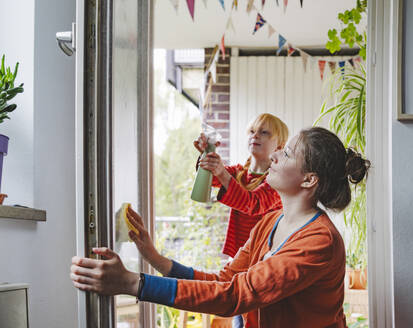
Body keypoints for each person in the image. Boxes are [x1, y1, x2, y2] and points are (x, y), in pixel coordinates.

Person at [70, 127, 370, 328]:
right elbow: (225, 279)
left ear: (309, 180)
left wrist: (132, 283)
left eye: (288, 153)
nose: (276, 154)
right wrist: (155, 258)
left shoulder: (319, 241)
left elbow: (232, 296)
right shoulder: (270, 220)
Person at [195, 113, 289, 259]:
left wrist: (222, 172)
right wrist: (207, 153)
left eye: (264, 132)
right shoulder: (239, 172)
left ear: (279, 146)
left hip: (264, 255)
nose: (255, 135)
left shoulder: (278, 181)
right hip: (239, 254)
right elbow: (212, 178)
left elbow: (252, 203)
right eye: (252, 131)